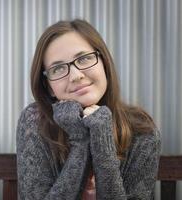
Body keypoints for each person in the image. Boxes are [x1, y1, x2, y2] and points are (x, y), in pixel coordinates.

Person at [16, 19, 161, 200]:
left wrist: (102, 139)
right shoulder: (34, 121)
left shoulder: (142, 130)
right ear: (48, 86)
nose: (76, 76)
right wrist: (80, 140)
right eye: (58, 68)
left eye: (84, 58)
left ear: (104, 62)